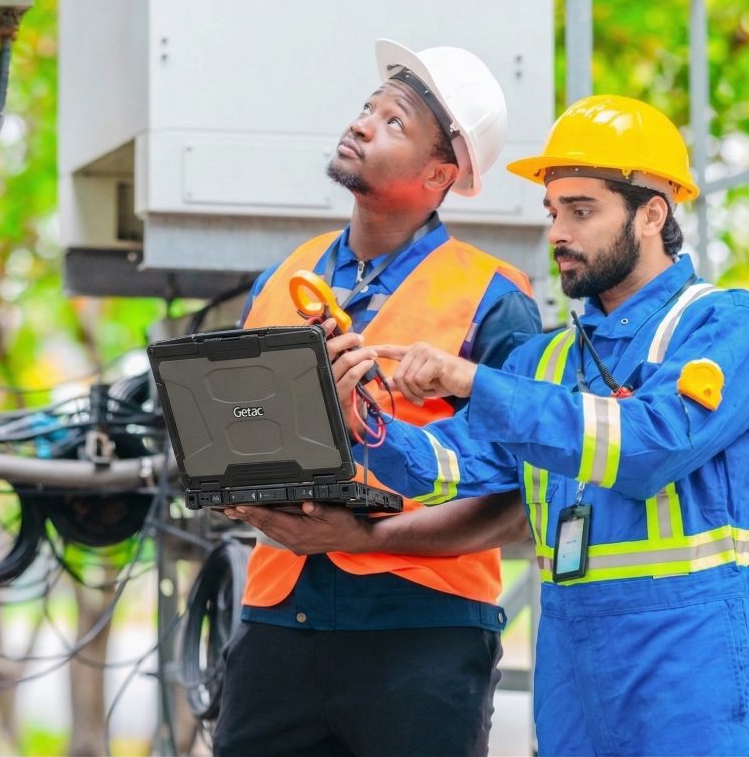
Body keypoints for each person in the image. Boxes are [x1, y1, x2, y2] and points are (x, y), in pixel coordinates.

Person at [288, 93, 749, 756]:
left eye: (581, 211)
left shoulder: (726, 325)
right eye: (553, 211)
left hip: (690, 669)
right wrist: (365, 421)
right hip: (573, 670)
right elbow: (444, 469)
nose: (557, 233)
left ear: (652, 214)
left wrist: (469, 380)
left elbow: (648, 445)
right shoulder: (544, 360)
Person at [211, 40, 541, 757]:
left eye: (393, 122)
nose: (362, 124)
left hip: (423, 635)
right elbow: (237, 445)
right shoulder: (282, 277)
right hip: (275, 626)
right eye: (367, 109)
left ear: (438, 174)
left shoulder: (495, 301)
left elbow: (522, 503)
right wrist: (237, 496)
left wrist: (366, 538)